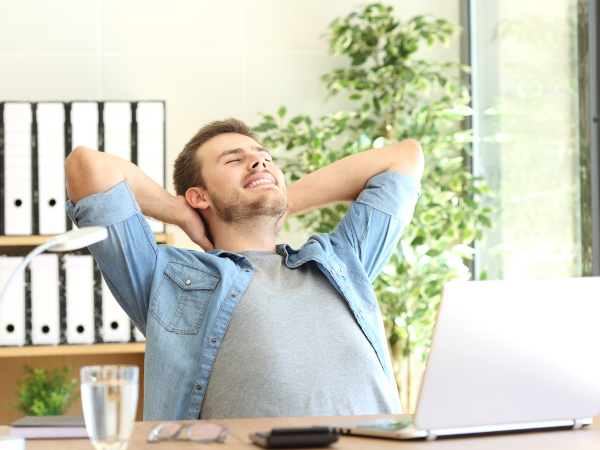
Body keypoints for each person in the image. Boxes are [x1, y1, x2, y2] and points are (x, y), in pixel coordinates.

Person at [65, 118, 423, 421]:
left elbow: (405, 157)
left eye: (265, 159)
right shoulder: (165, 278)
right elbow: (88, 167)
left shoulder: (342, 261)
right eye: (234, 160)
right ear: (198, 195)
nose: (259, 163)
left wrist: (280, 198)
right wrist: (179, 213)